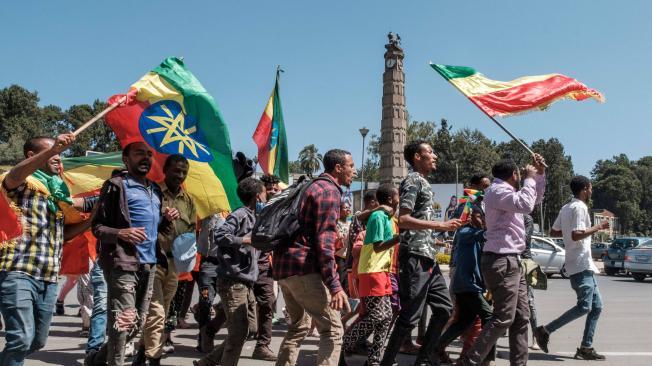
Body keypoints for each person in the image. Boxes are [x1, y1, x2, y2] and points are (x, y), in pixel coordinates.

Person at [0, 134, 93, 366]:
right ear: (32, 156)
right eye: (53, 153)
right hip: (17, 272)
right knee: (20, 339)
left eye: (60, 154)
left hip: (49, 277)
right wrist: (51, 150)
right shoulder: (21, 182)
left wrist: (95, 216)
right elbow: (13, 175)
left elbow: (64, 236)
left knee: (37, 342)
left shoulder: (57, 194)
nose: (58, 158)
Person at [87, 142, 180, 366]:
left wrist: (166, 219)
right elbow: (97, 227)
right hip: (122, 263)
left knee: (136, 325)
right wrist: (121, 233)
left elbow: (155, 228)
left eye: (149, 154)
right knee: (124, 322)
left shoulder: (154, 189)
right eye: (139, 153)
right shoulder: (115, 186)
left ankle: (96, 361)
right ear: (125, 159)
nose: (146, 158)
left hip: (149, 264)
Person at [457, 155, 546, 366]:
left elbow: (535, 200)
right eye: (520, 175)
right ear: (514, 175)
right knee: (503, 318)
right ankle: (470, 361)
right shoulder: (497, 191)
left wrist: (539, 175)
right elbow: (526, 204)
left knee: (521, 317)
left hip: (512, 260)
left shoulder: (508, 193)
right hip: (501, 259)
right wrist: (531, 178)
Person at [380, 140, 462, 366]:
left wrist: (437, 234)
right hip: (415, 256)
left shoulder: (423, 182)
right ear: (417, 156)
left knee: (444, 309)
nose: (435, 156)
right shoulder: (413, 180)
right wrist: (441, 226)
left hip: (428, 257)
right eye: (430, 152)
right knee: (410, 316)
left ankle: (424, 359)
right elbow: (403, 220)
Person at [273, 149, 355, 366]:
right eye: (351, 166)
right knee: (333, 330)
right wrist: (335, 286)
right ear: (338, 168)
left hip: (284, 267)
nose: (354, 172)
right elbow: (324, 242)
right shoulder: (329, 191)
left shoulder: (309, 186)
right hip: (303, 268)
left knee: (298, 327)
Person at [533, 175, 609, 361]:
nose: (591, 191)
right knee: (585, 306)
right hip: (580, 263)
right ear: (584, 189)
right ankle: (545, 330)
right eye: (590, 188)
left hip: (581, 264)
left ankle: (586, 347)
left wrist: (569, 231)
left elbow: (554, 231)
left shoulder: (567, 207)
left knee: (597, 307)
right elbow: (576, 235)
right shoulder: (580, 207)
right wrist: (598, 226)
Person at [132, 154, 196, 365]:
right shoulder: (152, 193)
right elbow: (141, 225)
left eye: (183, 172)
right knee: (157, 313)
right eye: (176, 170)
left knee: (162, 312)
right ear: (165, 170)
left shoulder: (188, 200)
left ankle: (142, 350)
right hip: (152, 261)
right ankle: (154, 357)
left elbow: (191, 231)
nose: (180, 175)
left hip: (174, 264)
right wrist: (163, 218)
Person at [194, 177, 266, 366]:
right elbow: (220, 234)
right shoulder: (240, 214)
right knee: (238, 332)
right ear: (258, 197)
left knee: (250, 328)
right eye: (265, 193)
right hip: (233, 281)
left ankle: (208, 362)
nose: (266, 197)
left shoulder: (254, 217)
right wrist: (245, 240)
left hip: (246, 283)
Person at [343, 184, 399, 365]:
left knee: (387, 316)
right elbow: (377, 246)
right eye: (398, 195)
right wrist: (399, 239)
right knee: (375, 316)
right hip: (371, 271)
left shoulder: (389, 217)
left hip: (382, 271)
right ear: (390, 198)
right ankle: (343, 345)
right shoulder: (378, 216)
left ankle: (374, 360)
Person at [436, 206, 495, 366]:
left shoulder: (473, 234)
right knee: (489, 317)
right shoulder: (466, 232)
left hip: (470, 285)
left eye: (482, 217)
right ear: (468, 218)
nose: (481, 220)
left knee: (464, 321)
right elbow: (488, 234)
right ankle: (485, 357)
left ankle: (436, 349)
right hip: (468, 285)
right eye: (478, 216)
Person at [251, 174, 283, 361]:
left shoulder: (280, 209)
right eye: (268, 188)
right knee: (238, 307)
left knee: (268, 302)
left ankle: (262, 346)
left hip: (266, 265)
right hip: (246, 265)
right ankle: (211, 329)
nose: (272, 191)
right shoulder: (251, 210)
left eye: (275, 188)